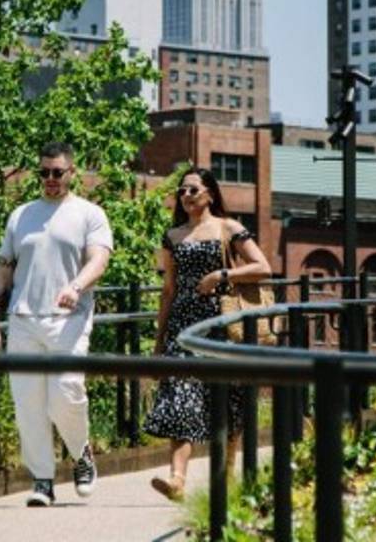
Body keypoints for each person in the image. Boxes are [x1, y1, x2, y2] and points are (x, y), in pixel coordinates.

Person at [0, 141, 113, 507]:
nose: (51, 179)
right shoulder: (21, 215)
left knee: (66, 393)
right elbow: (4, 272)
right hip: (23, 318)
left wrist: (76, 286)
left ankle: (81, 453)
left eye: (58, 172)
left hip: (69, 318)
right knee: (28, 403)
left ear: (72, 172)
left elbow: (99, 260)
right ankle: (42, 480)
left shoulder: (90, 214)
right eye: (44, 172)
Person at [143, 167, 272, 502]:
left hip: (221, 324)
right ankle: (177, 479)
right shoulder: (173, 236)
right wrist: (159, 339)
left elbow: (262, 267)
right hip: (182, 326)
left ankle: (227, 472)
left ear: (210, 194)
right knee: (179, 397)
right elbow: (168, 290)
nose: (186, 196)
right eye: (182, 191)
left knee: (228, 400)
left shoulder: (229, 228)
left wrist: (222, 274)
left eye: (193, 190)